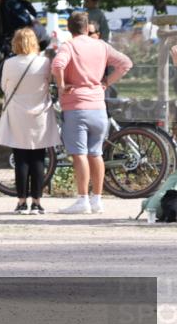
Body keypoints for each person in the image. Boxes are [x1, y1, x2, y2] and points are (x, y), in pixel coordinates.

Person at [51, 11, 133, 214]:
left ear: (69, 28)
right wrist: (106, 82)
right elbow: (126, 64)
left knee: (79, 154)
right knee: (96, 153)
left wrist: (61, 85)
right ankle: (97, 199)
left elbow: (57, 65)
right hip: (98, 107)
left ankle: (82, 200)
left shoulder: (69, 46)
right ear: (87, 27)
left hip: (76, 107)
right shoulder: (101, 45)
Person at [0, 27, 60, 215]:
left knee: (21, 158)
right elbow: (49, 83)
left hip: (17, 113)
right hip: (40, 113)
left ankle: (21, 202)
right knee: (38, 158)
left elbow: (4, 86)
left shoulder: (9, 63)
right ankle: (37, 202)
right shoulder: (44, 62)